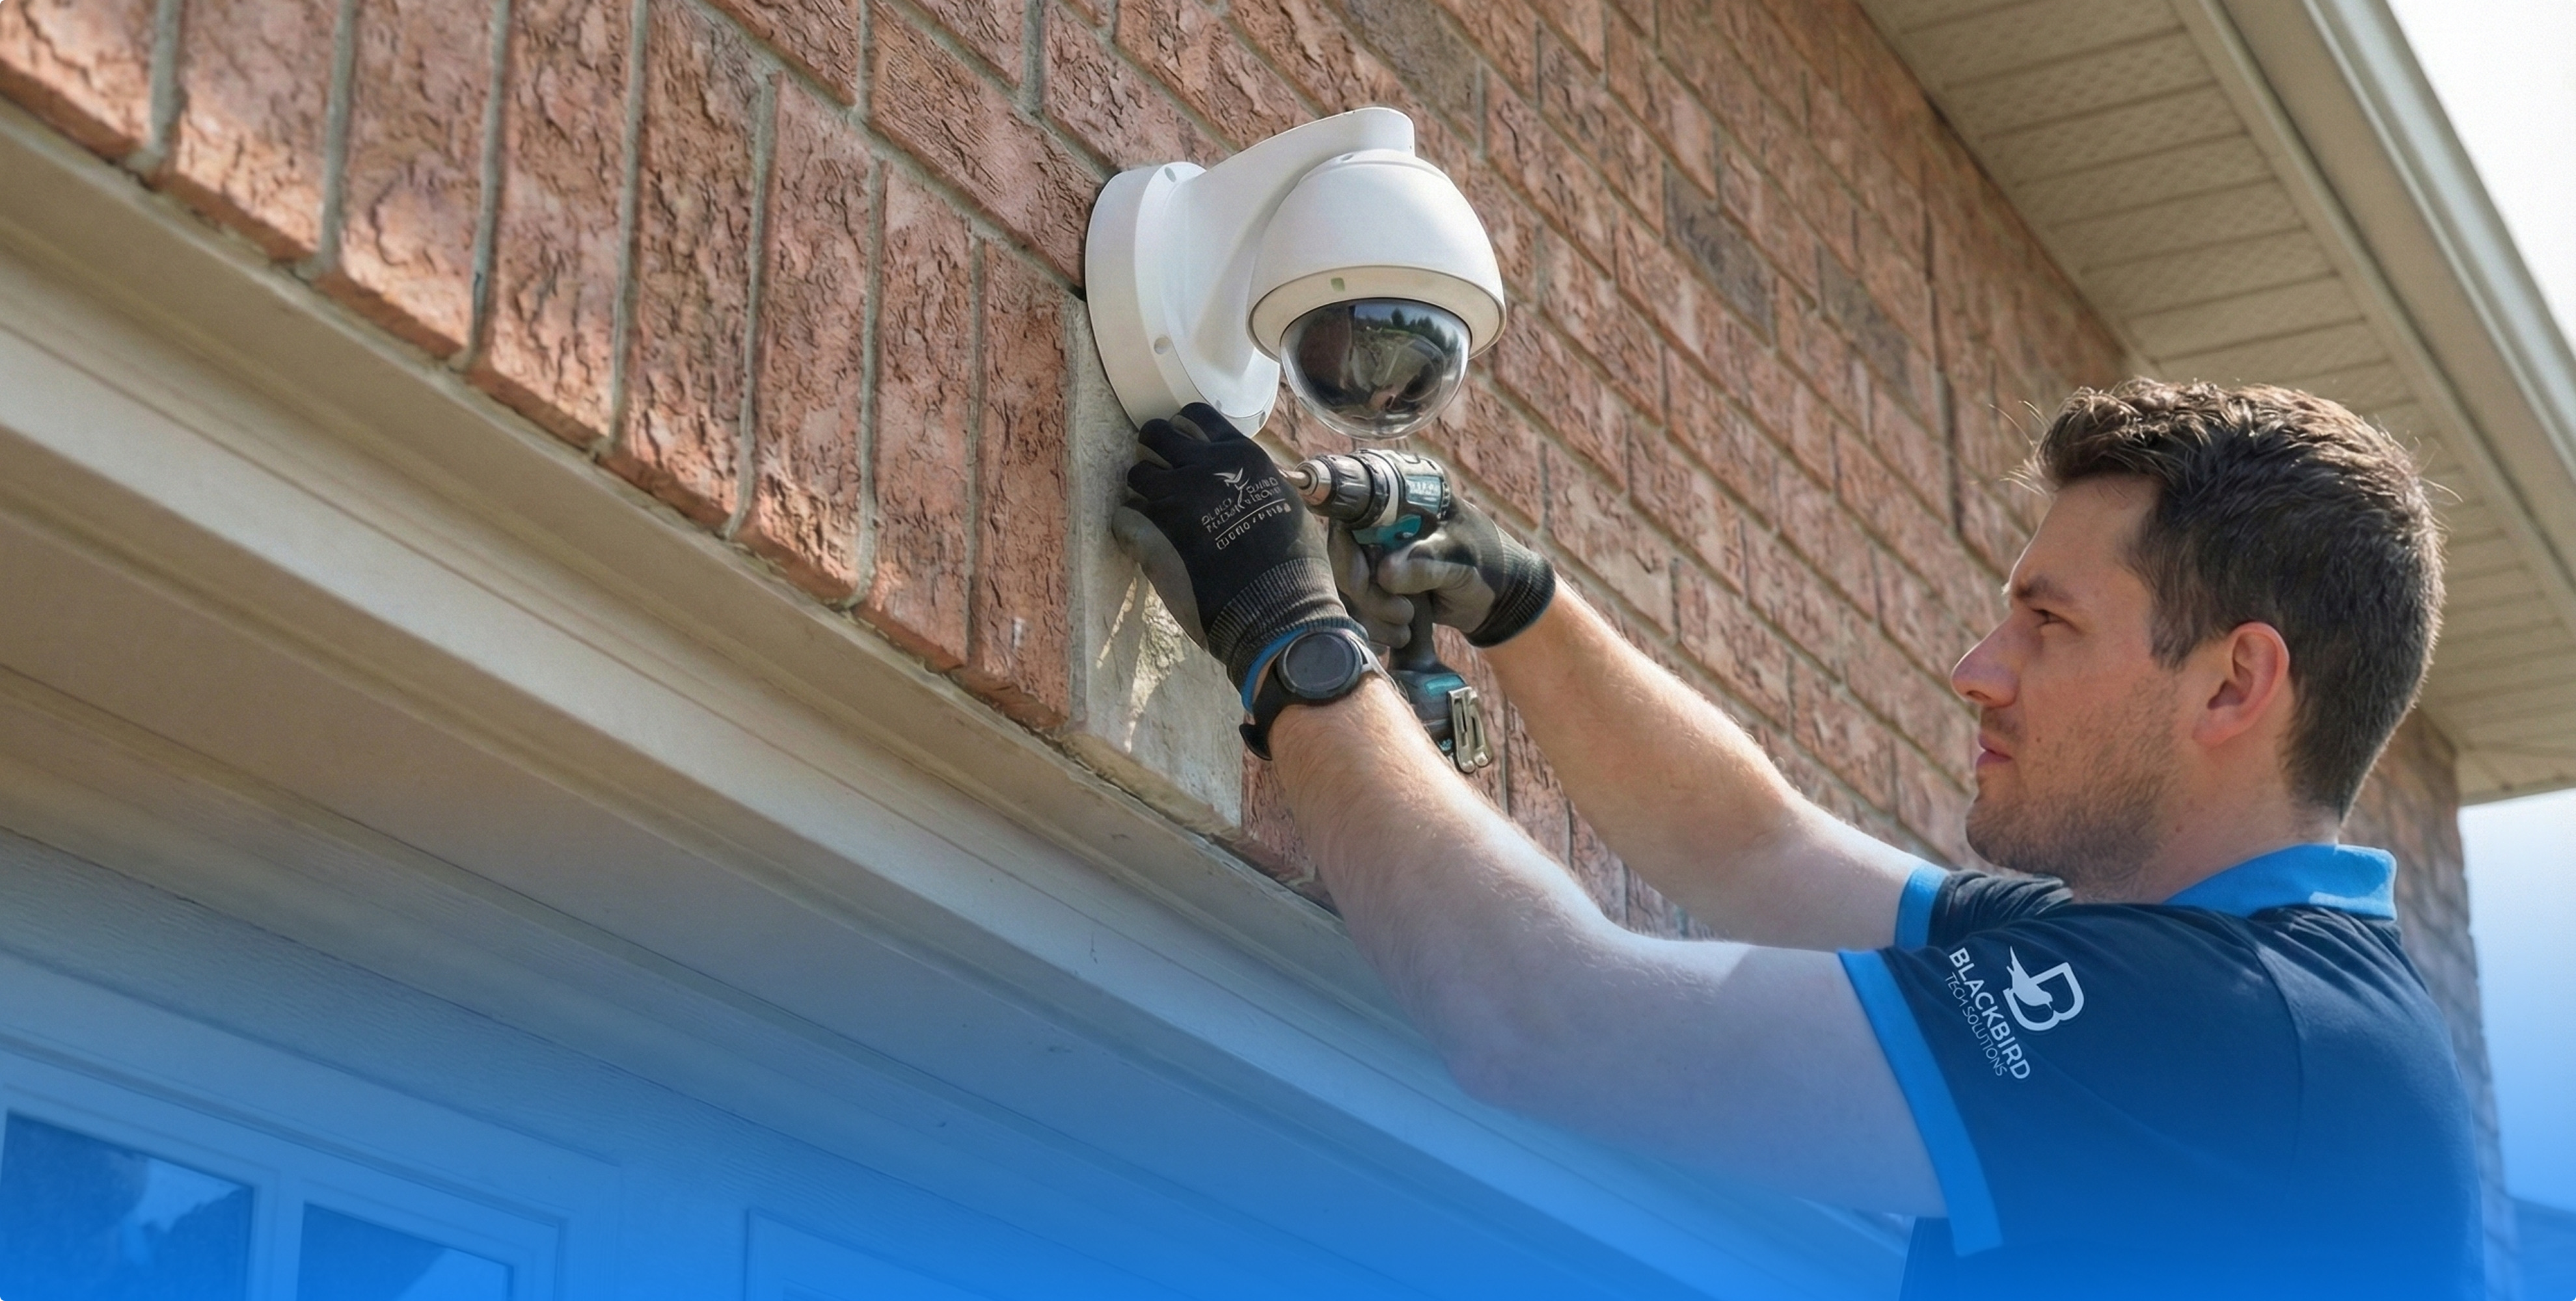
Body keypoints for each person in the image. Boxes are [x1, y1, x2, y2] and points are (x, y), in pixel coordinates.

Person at [1115, 378, 2482, 1299]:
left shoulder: (2235, 1035)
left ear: (2235, 685)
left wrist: (1289, 639)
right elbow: (1752, 849)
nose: (1975, 666)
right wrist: (1516, 599)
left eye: (2047, 624)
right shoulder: (2206, 981)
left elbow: (1541, 1017)